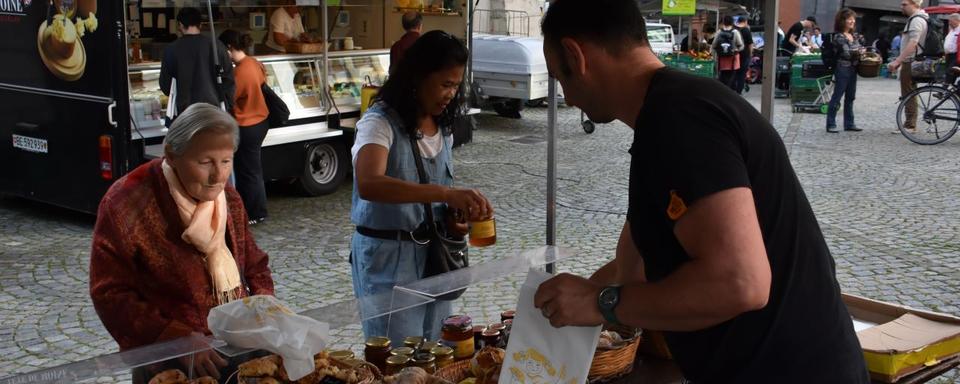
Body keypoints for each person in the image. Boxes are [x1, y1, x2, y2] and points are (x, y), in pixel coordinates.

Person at [533, 1, 870, 382]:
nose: (570, 98)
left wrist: (601, 303)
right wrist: (579, 295)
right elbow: (635, 265)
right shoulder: (669, 115)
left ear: (577, 57)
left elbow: (740, 283)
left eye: (559, 78)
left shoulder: (679, 119)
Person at [90, 104, 275, 382]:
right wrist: (175, 339)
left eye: (226, 161)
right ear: (172, 155)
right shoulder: (126, 203)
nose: (219, 175)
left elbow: (254, 263)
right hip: (168, 365)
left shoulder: (229, 199)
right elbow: (109, 292)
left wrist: (266, 309)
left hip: (237, 351)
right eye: (205, 162)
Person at [350, 31, 494, 343]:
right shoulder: (379, 122)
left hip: (435, 258)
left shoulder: (443, 128)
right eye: (445, 84)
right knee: (397, 353)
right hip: (389, 260)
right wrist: (445, 194)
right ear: (417, 77)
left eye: (456, 85)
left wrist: (455, 220)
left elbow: (440, 196)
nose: (451, 94)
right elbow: (369, 183)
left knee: (437, 349)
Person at [219, 30, 270, 225]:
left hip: (247, 123)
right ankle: (255, 210)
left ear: (230, 48)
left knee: (248, 170)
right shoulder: (254, 63)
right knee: (252, 168)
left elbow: (230, 98)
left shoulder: (239, 72)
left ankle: (255, 213)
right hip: (260, 120)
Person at [160, 7, 235, 118]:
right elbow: (229, 79)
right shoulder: (216, 45)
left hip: (185, 112)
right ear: (200, 25)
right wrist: (227, 103)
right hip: (214, 109)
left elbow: (166, 85)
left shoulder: (171, 49)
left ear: (180, 25)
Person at [888, 0, 929, 134]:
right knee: (911, 92)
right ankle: (910, 123)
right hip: (913, 60)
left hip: (910, 61)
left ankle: (910, 125)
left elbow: (913, 43)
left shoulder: (916, 20)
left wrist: (898, 61)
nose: (901, 7)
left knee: (908, 93)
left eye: (905, 4)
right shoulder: (920, 18)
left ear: (915, 4)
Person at [826, 8, 865, 133]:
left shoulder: (854, 35)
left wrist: (859, 51)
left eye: (853, 18)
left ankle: (849, 123)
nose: (852, 21)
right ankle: (831, 124)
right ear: (842, 21)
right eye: (849, 18)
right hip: (842, 68)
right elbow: (847, 53)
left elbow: (859, 49)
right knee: (837, 96)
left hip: (853, 68)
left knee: (850, 97)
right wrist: (859, 51)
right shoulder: (838, 36)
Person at [712, 16, 744, 91]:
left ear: (724, 22)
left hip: (721, 60)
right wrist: (736, 50)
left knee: (722, 77)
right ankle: (729, 93)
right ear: (732, 23)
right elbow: (741, 45)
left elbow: (714, 45)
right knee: (731, 79)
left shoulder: (719, 32)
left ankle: (722, 91)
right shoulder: (735, 32)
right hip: (733, 61)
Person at [734, 17, 754, 94]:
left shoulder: (734, 30)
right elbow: (750, 44)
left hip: (735, 54)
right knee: (742, 73)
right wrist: (750, 53)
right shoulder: (746, 30)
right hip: (744, 54)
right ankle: (739, 91)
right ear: (745, 21)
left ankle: (733, 88)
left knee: (735, 71)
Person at [944, 14, 960, 85]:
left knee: (950, 72)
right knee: (952, 73)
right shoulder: (951, 30)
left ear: (957, 21)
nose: (949, 23)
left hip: (956, 55)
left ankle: (943, 91)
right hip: (949, 55)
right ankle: (951, 92)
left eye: (951, 21)